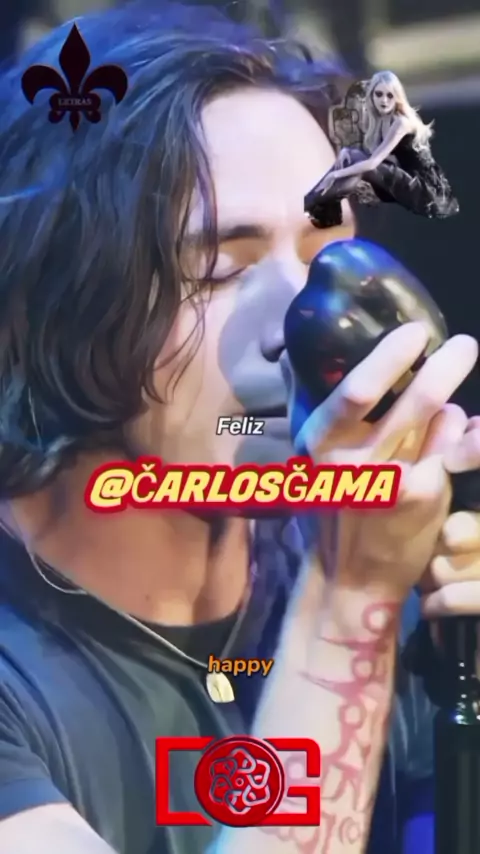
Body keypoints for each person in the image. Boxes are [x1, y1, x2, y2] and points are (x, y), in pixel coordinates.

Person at [0, 4, 479, 854]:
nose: (302, 325)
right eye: (222, 271)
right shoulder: (354, 578)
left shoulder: (385, 582)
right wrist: (349, 601)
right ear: (54, 302)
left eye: (326, 259)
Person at [304, 69, 459, 228]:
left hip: (423, 191)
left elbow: (372, 163)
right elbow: (374, 157)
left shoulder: (401, 123)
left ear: (397, 98)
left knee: (355, 161)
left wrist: (336, 174)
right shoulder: (382, 120)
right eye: (379, 94)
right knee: (347, 154)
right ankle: (320, 205)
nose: (384, 100)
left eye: (390, 96)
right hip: (402, 179)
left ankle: (317, 204)